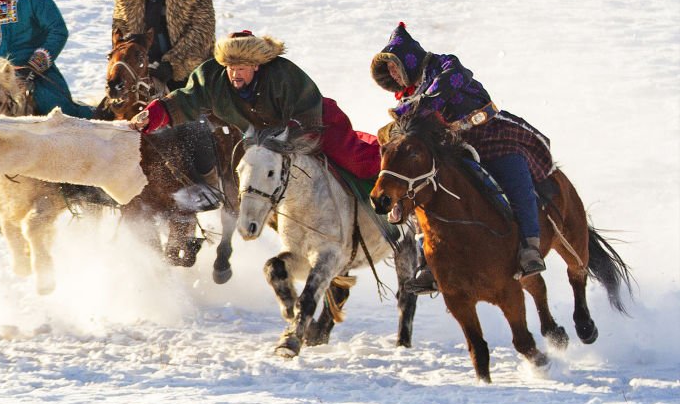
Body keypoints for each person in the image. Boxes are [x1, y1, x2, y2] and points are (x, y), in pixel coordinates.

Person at [370, 21, 553, 292]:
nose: (395, 75)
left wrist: (413, 109)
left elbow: (444, 88)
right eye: (391, 72)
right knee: (421, 193)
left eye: (396, 67)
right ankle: (427, 261)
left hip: (489, 134)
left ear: (407, 59)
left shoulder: (446, 65)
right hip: (450, 151)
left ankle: (530, 247)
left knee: (516, 179)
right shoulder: (406, 100)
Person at [131, 30, 382, 185]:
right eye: (230, 68)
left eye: (241, 69)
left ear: (256, 66)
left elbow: (307, 112)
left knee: (358, 162)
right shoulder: (214, 79)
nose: (234, 74)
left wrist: (283, 140)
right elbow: (185, 98)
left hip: (318, 124)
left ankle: (390, 177)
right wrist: (151, 115)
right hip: (264, 139)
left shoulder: (283, 75)